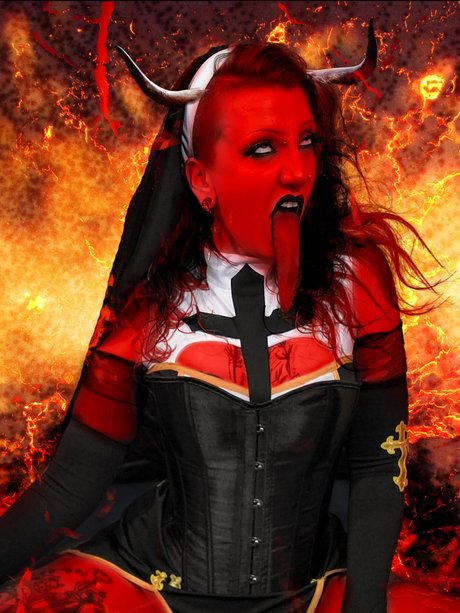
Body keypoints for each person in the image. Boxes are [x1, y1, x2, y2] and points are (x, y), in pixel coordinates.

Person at [0, 24, 448, 613]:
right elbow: (68, 487)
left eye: (306, 142)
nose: (297, 171)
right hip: (152, 585)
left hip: (316, 585)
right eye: (263, 149)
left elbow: (376, 465)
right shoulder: (153, 310)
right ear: (200, 180)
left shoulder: (356, 279)